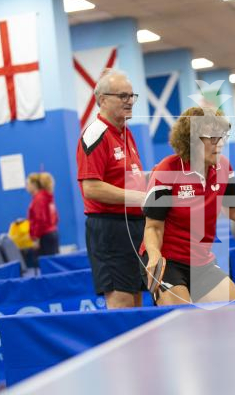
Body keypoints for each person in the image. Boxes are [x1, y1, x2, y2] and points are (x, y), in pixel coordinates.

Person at [141, 107, 235, 305]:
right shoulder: (167, 170)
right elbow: (153, 226)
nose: (219, 143)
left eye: (221, 136)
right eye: (211, 137)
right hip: (167, 262)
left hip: (201, 262)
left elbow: (233, 208)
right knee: (184, 322)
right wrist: (154, 256)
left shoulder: (223, 167)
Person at [77, 69, 147, 309]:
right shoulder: (95, 134)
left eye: (131, 96)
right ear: (103, 99)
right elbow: (91, 188)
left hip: (136, 226)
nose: (129, 102)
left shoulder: (127, 133)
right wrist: (140, 196)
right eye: (122, 96)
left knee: (137, 298)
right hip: (110, 229)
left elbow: (131, 179)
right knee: (122, 302)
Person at [26, 172, 60, 256]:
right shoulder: (47, 196)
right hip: (52, 233)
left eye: (28, 184)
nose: (26, 187)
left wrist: (36, 238)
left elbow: (39, 219)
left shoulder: (39, 199)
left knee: (47, 265)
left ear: (34, 185)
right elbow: (55, 217)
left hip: (45, 237)